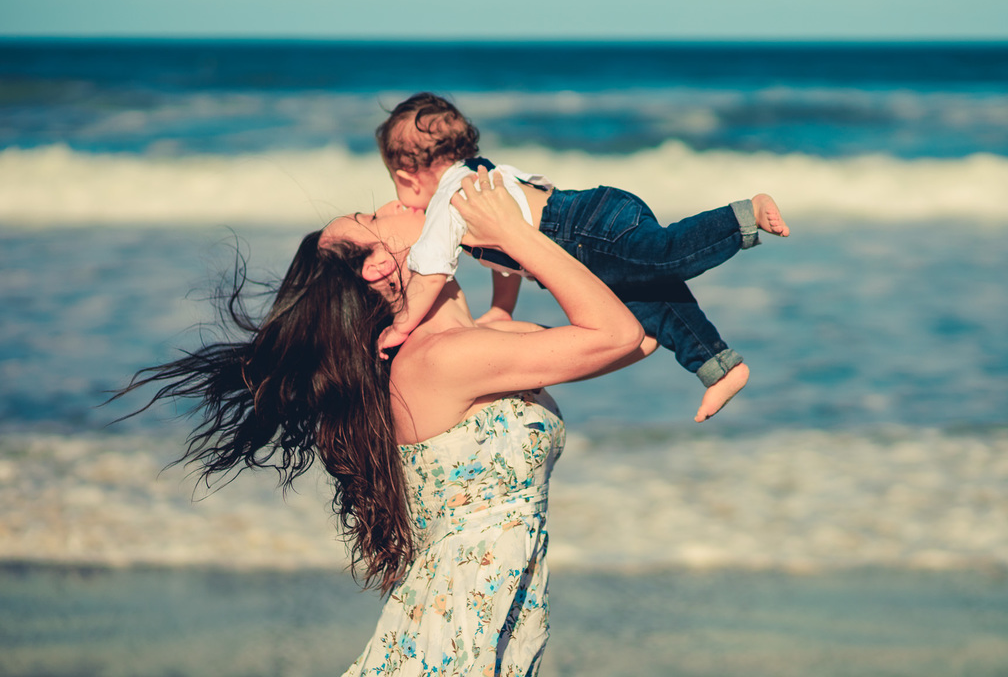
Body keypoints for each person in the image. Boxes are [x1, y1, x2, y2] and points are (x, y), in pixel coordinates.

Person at [118, 171, 646, 676]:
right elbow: (618, 335)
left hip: (483, 630)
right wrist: (511, 232)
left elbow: (638, 339)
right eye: (373, 217)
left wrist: (532, 228)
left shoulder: (475, 344)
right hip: (453, 642)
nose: (397, 202)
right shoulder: (438, 359)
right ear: (376, 267)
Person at [375, 92, 791, 423]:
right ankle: (719, 366)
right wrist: (502, 309)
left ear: (407, 176)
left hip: (585, 228)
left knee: (666, 255)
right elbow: (506, 258)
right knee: (655, 302)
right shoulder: (482, 174)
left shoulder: (452, 198)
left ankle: (742, 216)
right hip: (590, 224)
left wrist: (401, 325)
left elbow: (430, 270)